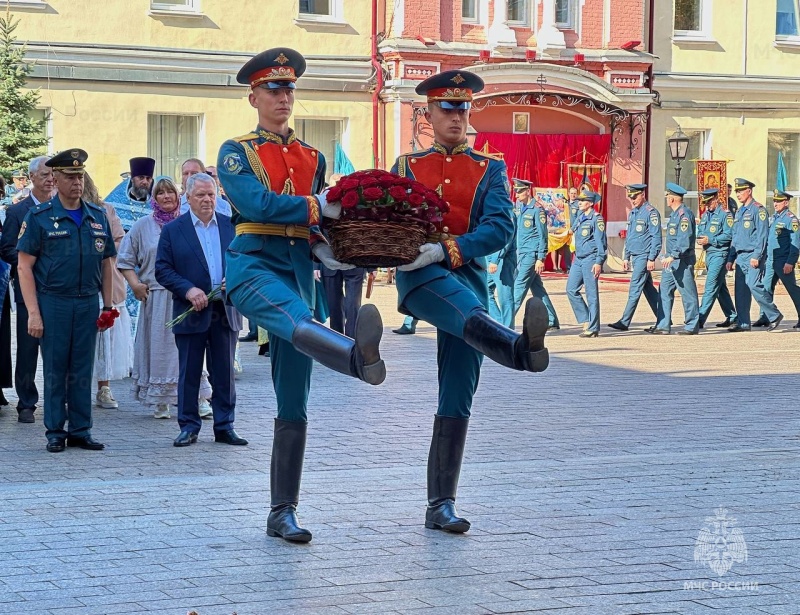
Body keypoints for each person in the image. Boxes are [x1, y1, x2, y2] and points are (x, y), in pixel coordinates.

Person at [218, 47, 385, 544]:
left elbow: (315, 225)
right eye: (273, 89)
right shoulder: (236, 150)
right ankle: (355, 355)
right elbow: (256, 203)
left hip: (296, 272)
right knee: (295, 316)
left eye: (288, 89)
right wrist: (318, 207)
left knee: (294, 399)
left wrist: (335, 247)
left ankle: (282, 511)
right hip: (252, 266)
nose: (282, 97)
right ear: (254, 96)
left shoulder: (313, 156)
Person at [391, 69, 550, 535]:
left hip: (467, 282)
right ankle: (519, 351)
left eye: (463, 108)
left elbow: (500, 226)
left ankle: (439, 504)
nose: (457, 116)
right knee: (457, 305)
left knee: (458, 390)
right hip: (421, 278)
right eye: (447, 108)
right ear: (429, 114)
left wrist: (449, 249)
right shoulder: (407, 166)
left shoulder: (490, 168)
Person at [16, 149, 117, 453]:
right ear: (55, 179)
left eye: (80, 176)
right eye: (70, 176)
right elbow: (24, 266)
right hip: (54, 302)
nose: (77, 181)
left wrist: (109, 306)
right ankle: (56, 430)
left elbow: (107, 264)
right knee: (57, 367)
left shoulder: (97, 216)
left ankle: (81, 430)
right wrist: (33, 313)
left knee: (83, 367)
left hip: (87, 302)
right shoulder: (39, 217)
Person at [155, 173, 245, 447]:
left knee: (224, 373)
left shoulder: (232, 227)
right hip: (191, 309)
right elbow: (162, 269)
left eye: (211, 195)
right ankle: (189, 426)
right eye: (201, 195)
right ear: (188, 197)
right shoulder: (173, 229)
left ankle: (224, 425)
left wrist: (237, 277)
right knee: (190, 371)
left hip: (224, 310)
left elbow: (248, 259)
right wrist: (188, 289)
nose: (207, 200)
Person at [117, 176, 182, 419]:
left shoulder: (188, 222)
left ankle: (195, 397)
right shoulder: (143, 226)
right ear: (153, 198)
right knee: (160, 348)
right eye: (161, 193)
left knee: (188, 348)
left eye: (171, 193)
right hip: (156, 296)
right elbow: (125, 260)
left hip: (185, 295)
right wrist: (135, 284)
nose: (167, 197)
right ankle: (160, 400)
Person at [0, 156, 52, 422]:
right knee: (28, 347)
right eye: (44, 174)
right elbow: (7, 247)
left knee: (56, 347)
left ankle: (57, 400)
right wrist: (30, 263)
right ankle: (27, 402)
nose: (50, 178)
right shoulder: (17, 212)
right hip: (27, 289)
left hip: (58, 291)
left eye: (52, 174)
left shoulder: (62, 208)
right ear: (31, 178)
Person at [83, 172, 132, 408]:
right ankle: (75, 387)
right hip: (77, 282)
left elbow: (119, 240)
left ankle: (104, 388)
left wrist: (102, 252)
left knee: (106, 337)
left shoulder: (105, 210)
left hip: (106, 279)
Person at [725, 178, 783, 332]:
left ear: (749, 191)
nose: (737, 194)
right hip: (740, 255)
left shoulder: (759, 210)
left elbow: (762, 236)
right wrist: (731, 258)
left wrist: (757, 256)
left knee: (753, 284)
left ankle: (774, 314)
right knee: (740, 290)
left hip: (753, 255)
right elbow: (735, 236)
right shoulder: (739, 211)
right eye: (736, 191)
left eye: (740, 191)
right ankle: (743, 323)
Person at [608, 184, 663, 331]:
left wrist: (651, 258)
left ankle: (624, 321)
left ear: (643, 194)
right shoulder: (633, 213)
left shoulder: (651, 213)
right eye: (630, 197)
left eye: (635, 197)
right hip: (635, 255)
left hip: (644, 256)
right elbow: (630, 236)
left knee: (635, 288)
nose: (633, 200)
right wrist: (626, 256)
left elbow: (656, 237)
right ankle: (664, 318)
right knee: (649, 290)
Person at [648, 183, 699, 335]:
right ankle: (663, 324)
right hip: (670, 263)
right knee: (664, 290)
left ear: (672, 198)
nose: (666, 199)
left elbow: (684, 240)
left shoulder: (684, 215)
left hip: (681, 261)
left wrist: (673, 255)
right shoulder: (675, 215)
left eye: (667, 197)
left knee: (687, 293)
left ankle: (692, 325)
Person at [511, 180, 559, 330]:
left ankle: (504, 321)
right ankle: (552, 320)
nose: (517, 195)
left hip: (531, 255)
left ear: (527, 191)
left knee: (518, 287)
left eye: (519, 192)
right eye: (516, 191)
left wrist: (540, 258)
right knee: (537, 289)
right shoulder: (520, 207)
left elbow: (543, 235)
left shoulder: (537, 209)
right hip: (522, 253)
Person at [566, 188, 607, 337]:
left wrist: (599, 262)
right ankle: (585, 319)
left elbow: (601, 242)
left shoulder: (597, 219)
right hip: (578, 258)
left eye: (582, 201)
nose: (579, 203)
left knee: (591, 293)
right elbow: (571, 231)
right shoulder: (581, 217)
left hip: (591, 258)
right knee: (571, 289)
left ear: (590, 203)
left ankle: (593, 327)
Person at [696, 188, 737, 329]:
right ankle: (732, 316)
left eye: (709, 203)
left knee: (711, 286)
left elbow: (729, 235)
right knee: (720, 288)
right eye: (705, 203)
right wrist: (700, 238)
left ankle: (699, 318)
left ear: (715, 199)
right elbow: (700, 231)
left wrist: (710, 239)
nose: (707, 206)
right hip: (709, 254)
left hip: (720, 254)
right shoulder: (706, 215)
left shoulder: (725, 215)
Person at [763, 190, 800, 328]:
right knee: (765, 288)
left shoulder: (791, 219)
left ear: (786, 202)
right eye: (774, 201)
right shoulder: (774, 218)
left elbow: (795, 243)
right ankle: (766, 317)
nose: (775, 203)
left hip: (783, 261)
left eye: (778, 201)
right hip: (771, 260)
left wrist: (790, 262)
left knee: (792, 290)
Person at [487, 197, 517, 327]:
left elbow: (506, 239)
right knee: (485, 291)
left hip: (503, 260)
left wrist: (495, 260)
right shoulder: (493, 211)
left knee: (505, 297)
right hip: (489, 257)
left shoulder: (507, 213)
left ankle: (508, 328)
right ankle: (500, 323)